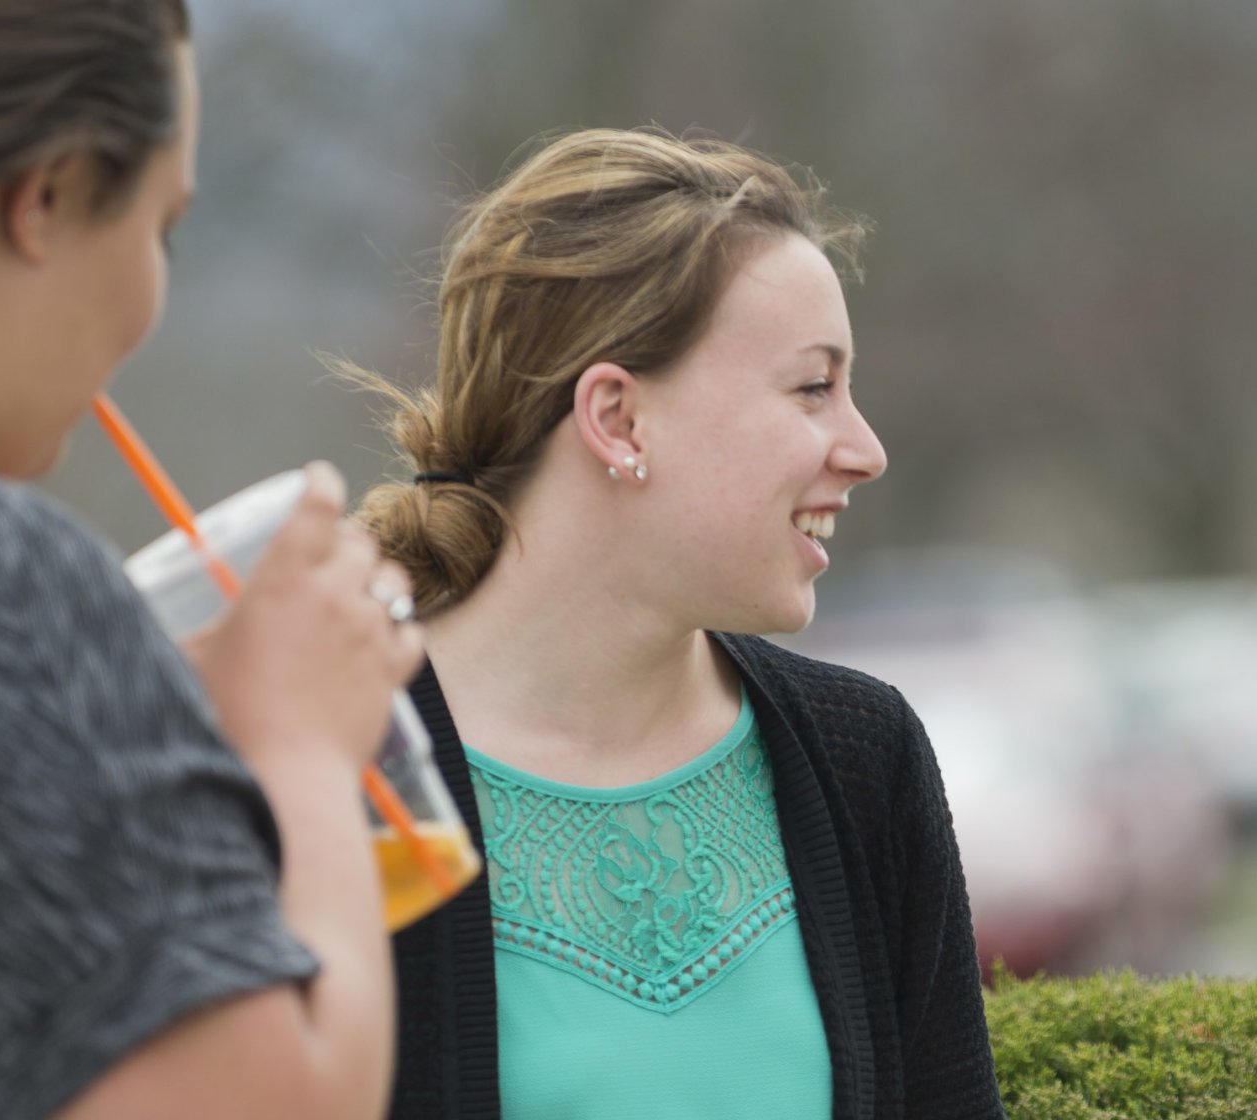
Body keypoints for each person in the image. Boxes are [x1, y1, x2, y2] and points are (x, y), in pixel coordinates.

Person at [0, 2, 422, 1116]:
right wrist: (300, 743)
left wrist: (126, 736)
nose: (151, 294)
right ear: (45, 195)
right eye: (162, 225)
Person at [339, 128, 1004, 1119]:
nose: (865, 449)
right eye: (813, 387)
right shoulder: (338, 768)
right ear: (617, 419)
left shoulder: (866, 759)